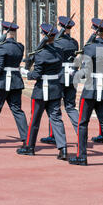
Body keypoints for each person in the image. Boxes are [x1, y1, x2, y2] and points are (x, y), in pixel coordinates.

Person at [68, 18, 103, 169]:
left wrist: (73, 73)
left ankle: (82, 156)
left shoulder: (90, 48)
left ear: (94, 31)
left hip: (91, 88)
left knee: (82, 122)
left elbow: (86, 71)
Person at [16, 24, 68, 160]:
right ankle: (63, 149)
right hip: (55, 88)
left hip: (41, 90)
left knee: (35, 119)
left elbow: (36, 75)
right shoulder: (59, 51)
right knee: (56, 119)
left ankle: (29, 147)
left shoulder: (40, 54)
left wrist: (26, 72)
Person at [40, 16, 80, 145]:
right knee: (70, 107)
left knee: (54, 107)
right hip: (71, 75)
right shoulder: (74, 42)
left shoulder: (57, 42)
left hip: (59, 75)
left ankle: (53, 135)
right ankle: (81, 132)